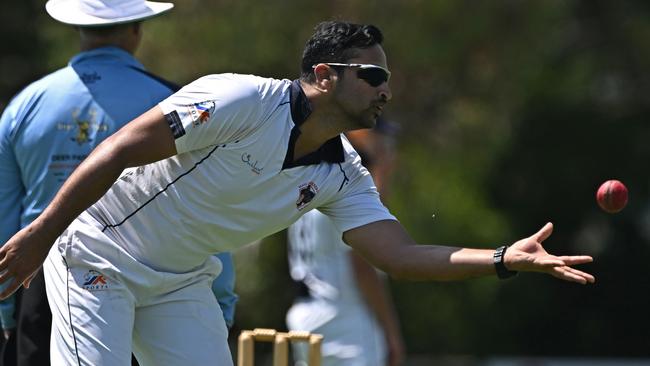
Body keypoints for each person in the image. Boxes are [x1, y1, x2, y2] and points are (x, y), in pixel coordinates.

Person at [0, 20, 595, 366]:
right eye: (374, 76)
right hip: (96, 255)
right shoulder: (240, 99)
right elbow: (120, 149)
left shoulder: (344, 174)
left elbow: (402, 259)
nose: (385, 90)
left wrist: (502, 259)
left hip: (179, 282)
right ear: (325, 75)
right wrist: (41, 234)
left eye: (387, 78)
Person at [0, 1, 237, 365]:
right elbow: (205, 208)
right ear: (136, 28)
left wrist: (6, 308)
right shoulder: (172, 104)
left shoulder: (24, 105)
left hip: (37, 286)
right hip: (147, 287)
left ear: (77, 28)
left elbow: (5, 216)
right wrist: (220, 298)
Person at [286, 120, 405, 366]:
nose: (386, 148)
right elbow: (363, 267)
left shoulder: (312, 187)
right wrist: (392, 333)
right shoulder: (344, 196)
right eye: (381, 141)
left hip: (305, 317)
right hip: (345, 322)